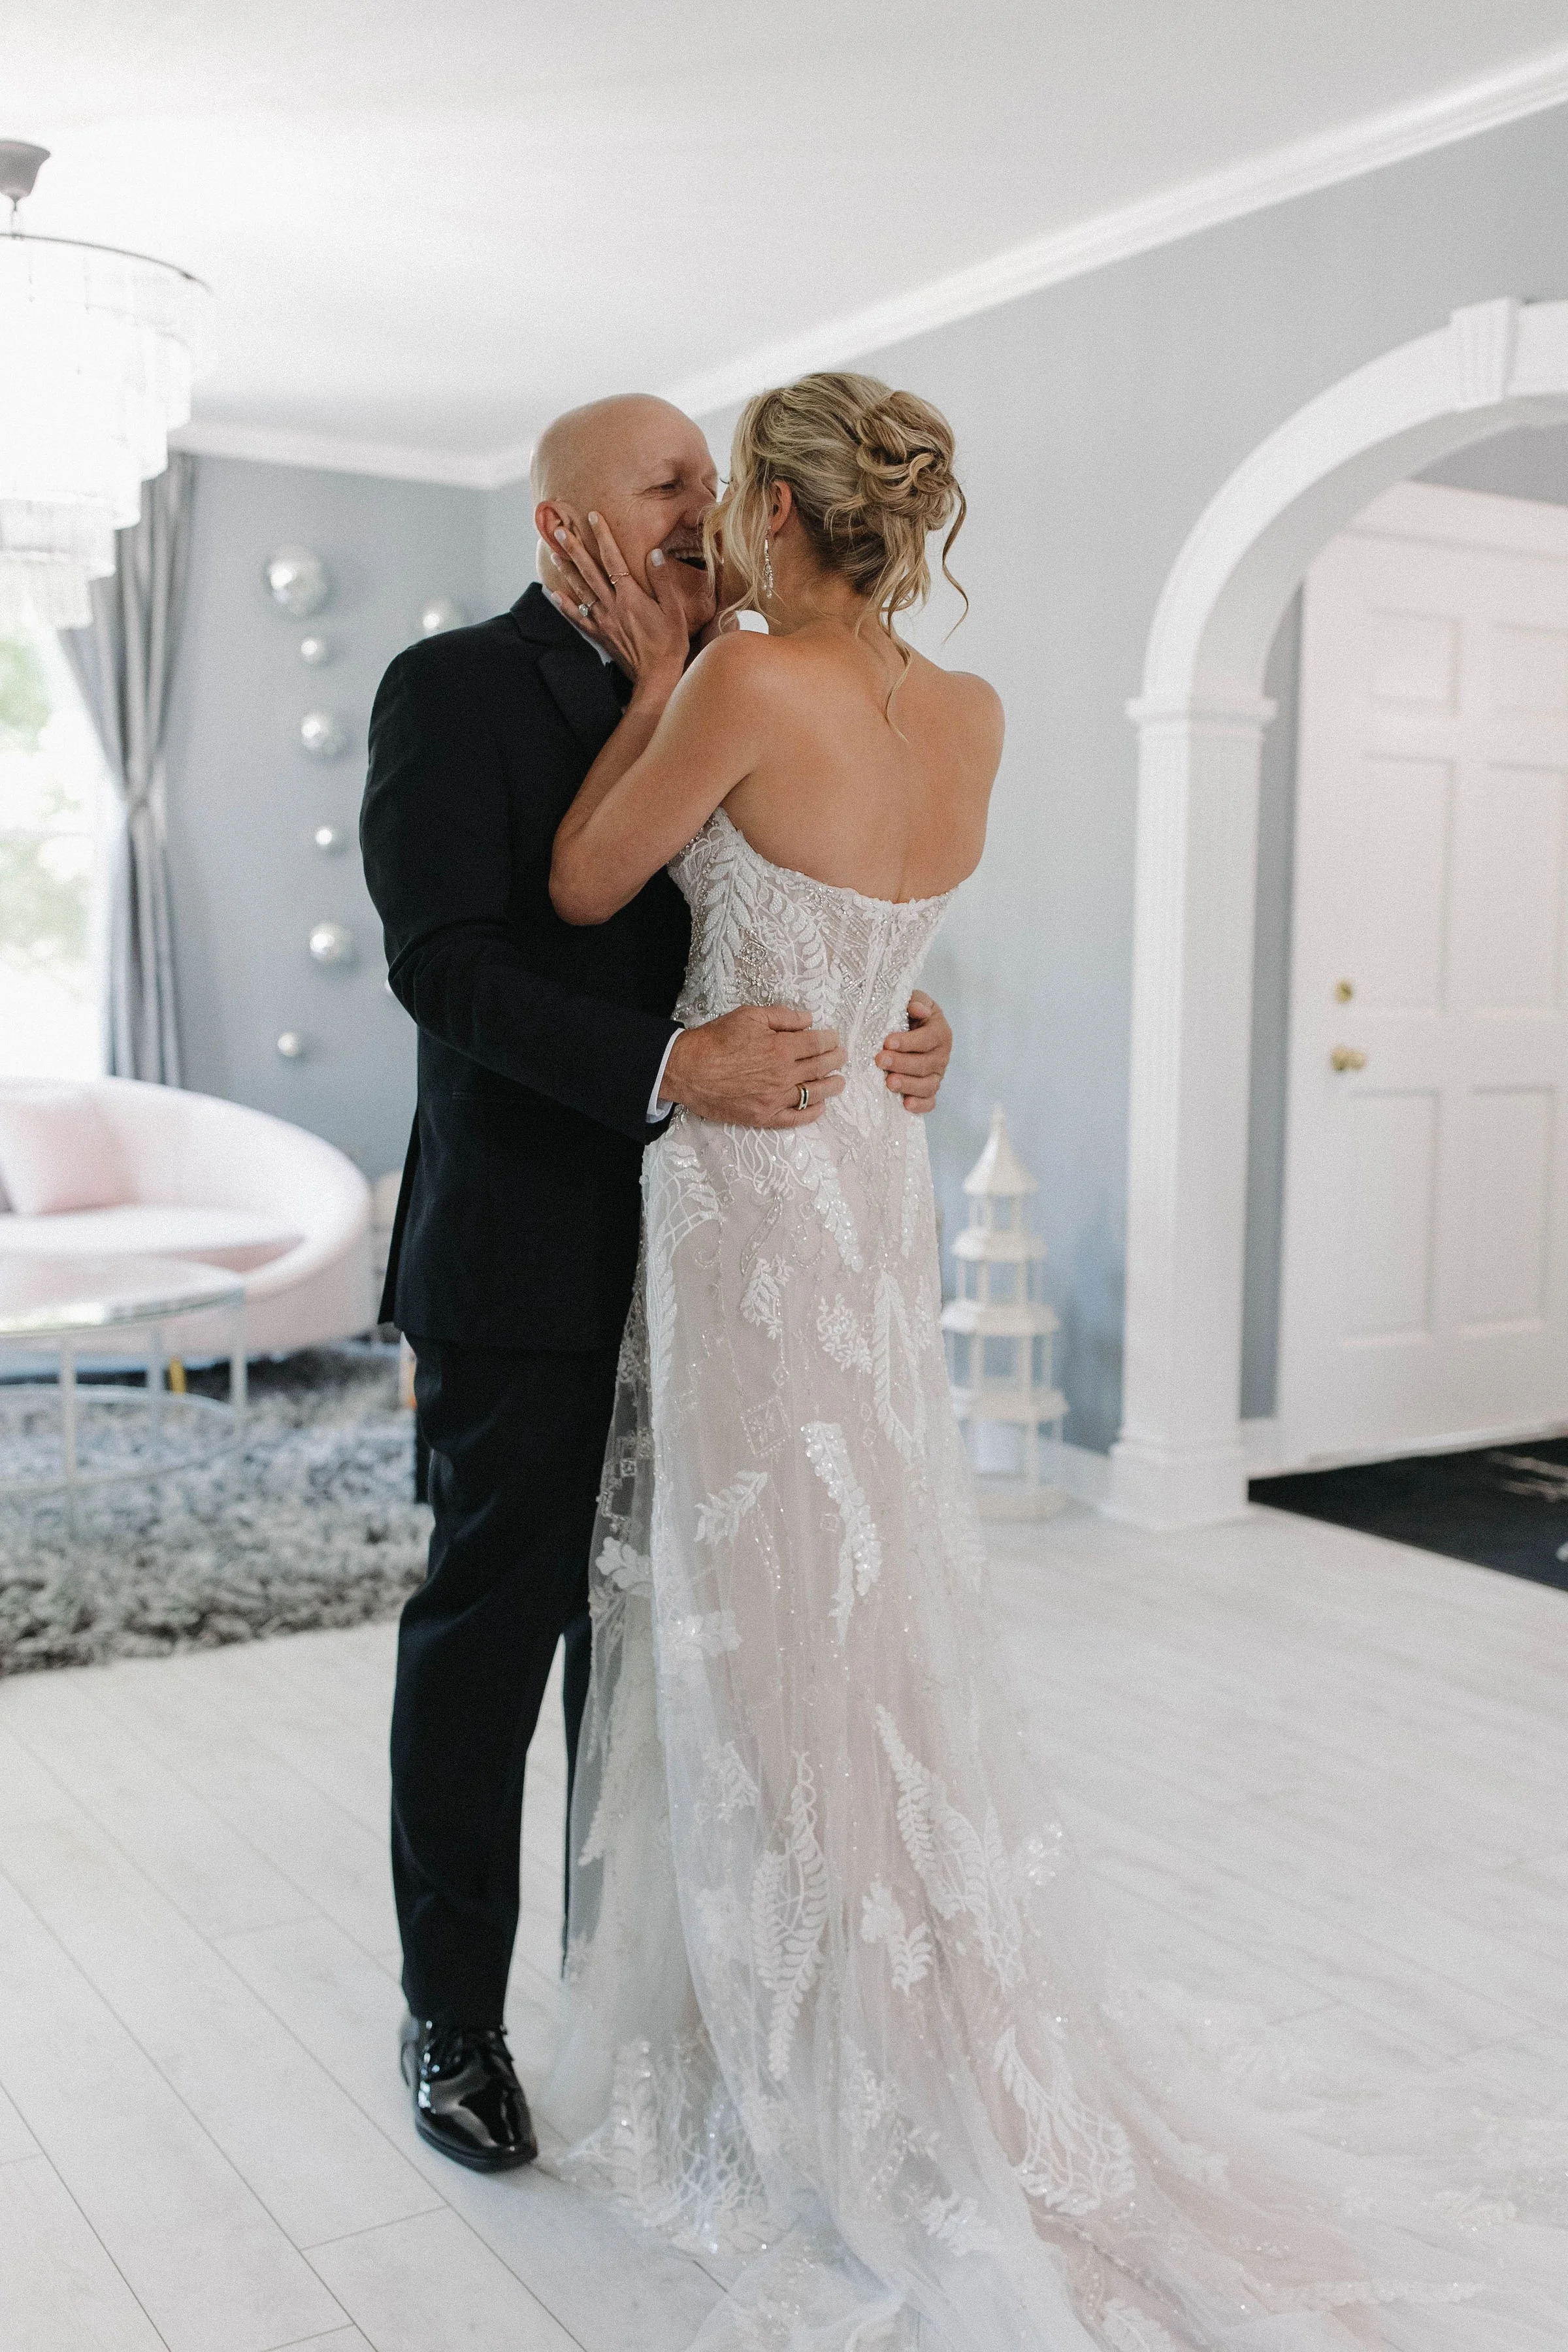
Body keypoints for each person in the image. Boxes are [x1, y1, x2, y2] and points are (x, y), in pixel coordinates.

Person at [539, 374, 1560, 2349]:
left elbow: (588, 882)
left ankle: (806, 2026)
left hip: (756, 1178)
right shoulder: (974, 713)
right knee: (862, 1587)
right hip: (870, 1156)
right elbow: (884, 952)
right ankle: (879, 1981)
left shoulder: (741, 687)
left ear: (771, 506)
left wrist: (673, 670)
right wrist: (897, 1018)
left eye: (729, 490)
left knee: (762, 1603)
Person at [359, 391, 956, 2172]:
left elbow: (812, 898)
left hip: (748, 1248)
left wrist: (904, 1017)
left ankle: (658, 1992)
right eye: (666, 483)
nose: (705, 504)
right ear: (567, 527)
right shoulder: (450, 691)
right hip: (533, 1249)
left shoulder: (761, 672)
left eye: (715, 479)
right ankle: (453, 2014)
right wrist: (666, 1070)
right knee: (499, 1638)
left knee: (692, 1652)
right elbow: (445, 966)